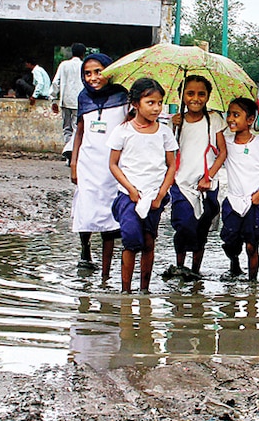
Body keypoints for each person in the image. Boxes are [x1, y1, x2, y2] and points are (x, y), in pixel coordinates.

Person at [108, 77, 178, 294]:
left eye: (159, 103)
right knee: (130, 240)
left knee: (149, 240)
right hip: (129, 195)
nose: (156, 108)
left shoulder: (164, 132)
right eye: (150, 103)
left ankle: (144, 290)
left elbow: (172, 165)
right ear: (136, 104)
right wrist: (130, 189)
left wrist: (161, 193)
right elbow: (113, 164)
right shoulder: (123, 131)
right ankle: (126, 291)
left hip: (155, 195)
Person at [69, 53, 127, 278]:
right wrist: (74, 162)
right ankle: (85, 252)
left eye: (98, 71)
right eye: (88, 73)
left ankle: (106, 269)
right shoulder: (84, 97)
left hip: (113, 164)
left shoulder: (122, 95)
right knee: (85, 207)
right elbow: (80, 131)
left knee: (109, 212)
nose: (93, 77)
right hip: (88, 162)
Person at [165, 75, 228, 280]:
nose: (196, 98)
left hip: (207, 184)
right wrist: (174, 125)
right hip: (181, 183)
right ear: (181, 96)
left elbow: (222, 152)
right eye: (190, 93)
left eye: (201, 94)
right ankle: (179, 266)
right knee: (183, 224)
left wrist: (208, 176)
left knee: (201, 228)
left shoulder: (215, 119)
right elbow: (168, 151)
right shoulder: (176, 121)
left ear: (208, 96)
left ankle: (195, 270)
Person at [219, 97, 259, 282]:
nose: (230, 119)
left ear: (250, 120)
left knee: (252, 245)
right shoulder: (225, 143)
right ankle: (234, 264)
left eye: (236, 115)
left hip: (255, 200)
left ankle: (253, 284)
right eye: (229, 114)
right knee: (230, 242)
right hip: (233, 199)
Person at [50, 44, 87, 163]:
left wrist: (53, 98)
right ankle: (73, 155)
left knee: (67, 128)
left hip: (65, 101)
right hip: (80, 102)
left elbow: (56, 82)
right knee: (77, 129)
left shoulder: (64, 65)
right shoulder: (84, 66)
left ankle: (69, 155)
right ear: (83, 54)